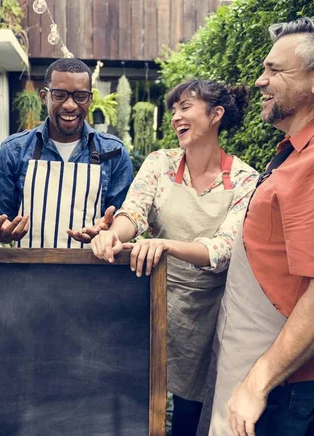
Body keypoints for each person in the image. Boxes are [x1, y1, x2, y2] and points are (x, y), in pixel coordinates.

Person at [204, 18, 314, 436]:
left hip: (284, 385)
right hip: (261, 362)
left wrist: (257, 384)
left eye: (275, 70)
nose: (259, 81)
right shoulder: (302, 149)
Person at [90, 79, 259, 435]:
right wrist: (111, 235)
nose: (175, 117)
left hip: (206, 313)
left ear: (216, 115)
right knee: (133, 400)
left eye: (185, 107)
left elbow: (224, 250)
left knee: (189, 415)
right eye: (173, 110)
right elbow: (133, 213)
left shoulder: (245, 179)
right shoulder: (160, 163)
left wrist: (166, 245)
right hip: (150, 300)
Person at [0, 58, 134, 248]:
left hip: (94, 273)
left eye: (80, 96)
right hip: (28, 274)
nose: (70, 105)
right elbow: (1, 220)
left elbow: (124, 221)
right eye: (59, 95)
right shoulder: (14, 150)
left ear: (90, 99)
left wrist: (108, 233)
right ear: (44, 97)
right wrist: (1, 232)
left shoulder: (114, 152)